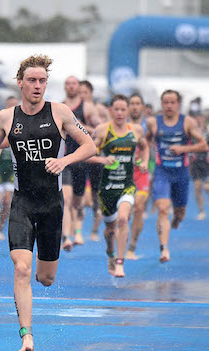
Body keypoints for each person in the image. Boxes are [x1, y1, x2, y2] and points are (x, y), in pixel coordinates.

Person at [0, 55, 96, 351]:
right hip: (22, 203)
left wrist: (64, 160)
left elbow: (90, 146)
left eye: (42, 81)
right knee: (21, 268)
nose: (37, 86)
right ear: (19, 82)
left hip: (51, 205)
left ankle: (40, 275)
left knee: (45, 278)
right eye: (32, 80)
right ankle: (26, 336)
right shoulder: (7, 117)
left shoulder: (59, 112)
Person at [88, 95, 148, 277]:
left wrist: (144, 162)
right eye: (117, 109)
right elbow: (86, 154)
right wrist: (102, 159)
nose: (120, 113)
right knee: (110, 230)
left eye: (124, 109)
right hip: (107, 188)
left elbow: (144, 147)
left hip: (126, 185)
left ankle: (120, 263)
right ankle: (110, 253)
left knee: (123, 219)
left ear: (128, 110)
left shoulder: (136, 130)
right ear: (110, 111)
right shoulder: (102, 131)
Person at [147, 90, 208, 263]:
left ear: (178, 104)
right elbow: (144, 142)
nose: (169, 106)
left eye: (172, 102)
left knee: (180, 212)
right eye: (165, 102)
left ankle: (177, 219)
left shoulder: (187, 122)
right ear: (161, 104)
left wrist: (184, 149)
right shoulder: (154, 123)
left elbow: (203, 145)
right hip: (162, 172)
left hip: (181, 172)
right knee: (163, 208)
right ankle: (164, 249)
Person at [61, 76, 100, 250]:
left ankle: (78, 231)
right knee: (66, 199)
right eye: (68, 84)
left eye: (74, 84)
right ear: (65, 87)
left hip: (82, 160)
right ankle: (66, 237)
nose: (71, 87)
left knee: (78, 202)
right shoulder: (59, 107)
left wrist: (80, 126)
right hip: (64, 159)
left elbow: (99, 130)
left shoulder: (88, 107)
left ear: (78, 87)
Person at [126, 93, 156, 260]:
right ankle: (121, 243)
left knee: (139, 207)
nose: (135, 106)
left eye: (138, 103)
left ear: (143, 107)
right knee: (125, 213)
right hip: (123, 171)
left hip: (142, 171)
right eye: (132, 103)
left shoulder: (150, 123)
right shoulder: (121, 122)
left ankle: (132, 246)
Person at [77, 79, 104, 241]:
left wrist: (83, 127)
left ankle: (95, 229)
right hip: (80, 157)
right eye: (80, 92)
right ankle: (77, 230)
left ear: (90, 94)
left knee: (95, 196)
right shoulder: (72, 109)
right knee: (78, 196)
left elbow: (102, 130)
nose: (82, 95)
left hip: (95, 155)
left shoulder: (97, 109)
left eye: (85, 93)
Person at [0, 96, 19, 240]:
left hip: (12, 168)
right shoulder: (0, 121)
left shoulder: (22, 122)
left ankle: (0, 228)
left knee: (8, 202)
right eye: (10, 105)